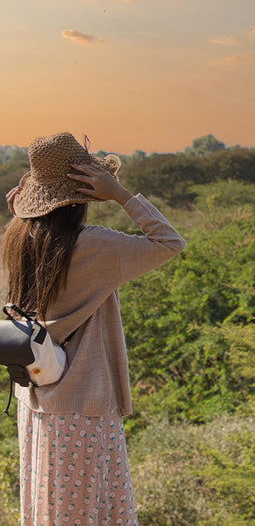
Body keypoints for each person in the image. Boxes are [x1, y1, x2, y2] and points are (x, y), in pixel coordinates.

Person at [1, 132, 186, 526]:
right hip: (82, 406)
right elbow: (170, 242)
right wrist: (121, 195)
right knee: (88, 512)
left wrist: (19, 212)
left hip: (35, 396)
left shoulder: (17, 237)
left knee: (48, 509)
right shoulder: (95, 246)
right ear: (82, 195)